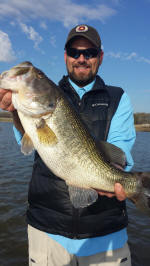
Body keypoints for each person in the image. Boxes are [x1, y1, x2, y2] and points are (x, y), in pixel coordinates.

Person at [0, 24, 136, 266]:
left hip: (106, 235)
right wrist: (15, 113)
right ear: (65, 56)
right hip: (47, 233)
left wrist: (119, 178)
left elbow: (120, 150)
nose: (81, 58)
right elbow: (27, 144)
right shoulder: (49, 97)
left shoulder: (118, 97)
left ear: (100, 57)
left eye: (90, 52)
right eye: (74, 52)